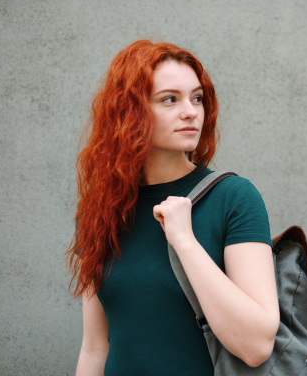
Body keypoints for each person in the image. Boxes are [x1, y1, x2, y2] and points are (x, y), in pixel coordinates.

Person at [66, 40, 280, 376]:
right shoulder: (101, 211)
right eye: (170, 99)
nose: (191, 111)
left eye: (197, 98)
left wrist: (184, 241)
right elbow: (95, 348)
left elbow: (256, 346)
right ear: (130, 111)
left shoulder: (233, 198)